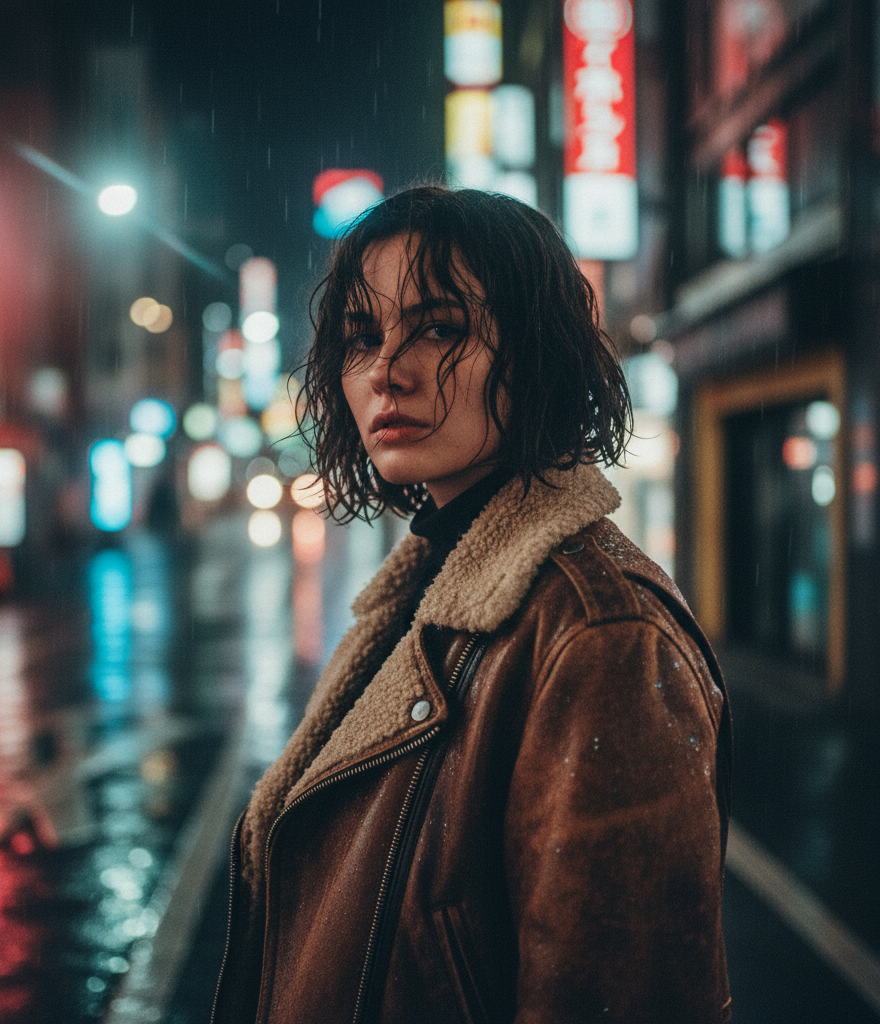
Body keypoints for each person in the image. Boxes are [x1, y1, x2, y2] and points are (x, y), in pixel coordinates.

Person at [210, 185, 731, 1024]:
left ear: (536, 351)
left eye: (439, 327)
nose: (386, 369)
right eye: (362, 336)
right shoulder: (421, 590)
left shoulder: (601, 634)